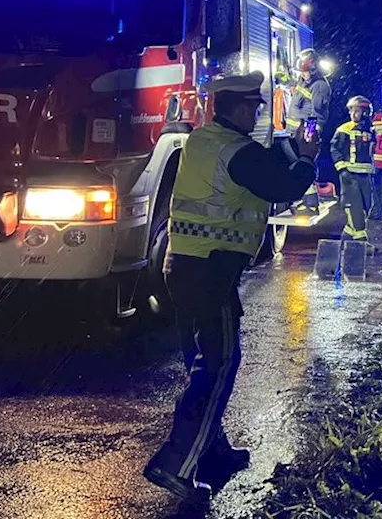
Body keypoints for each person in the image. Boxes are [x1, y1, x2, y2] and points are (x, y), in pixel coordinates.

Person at [143, 72, 319, 505]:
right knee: (218, 366)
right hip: (212, 272)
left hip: (181, 264)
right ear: (239, 108)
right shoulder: (236, 150)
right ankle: (177, 462)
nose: (258, 113)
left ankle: (214, 451)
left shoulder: (204, 141)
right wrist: (308, 158)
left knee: (202, 361)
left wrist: (290, 149)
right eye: (255, 107)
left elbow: (260, 167)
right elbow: (280, 186)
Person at [290, 48, 331, 212]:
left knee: (306, 164)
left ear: (314, 70)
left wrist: (310, 135)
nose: (303, 74)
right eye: (301, 71)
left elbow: (317, 114)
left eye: (306, 71)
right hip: (295, 132)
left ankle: (311, 202)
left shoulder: (319, 86)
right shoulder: (304, 81)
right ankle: (304, 199)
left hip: (305, 134)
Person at [332, 95, 375, 242]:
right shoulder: (344, 130)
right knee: (354, 208)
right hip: (349, 175)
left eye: (357, 111)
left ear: (365, 113)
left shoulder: (370, 131)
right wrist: (342, 169)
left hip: (365, 175)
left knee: (366, 207)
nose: (353, 114)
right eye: (351, 111)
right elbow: (334, 149)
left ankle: (346, 239)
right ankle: (361, 242)